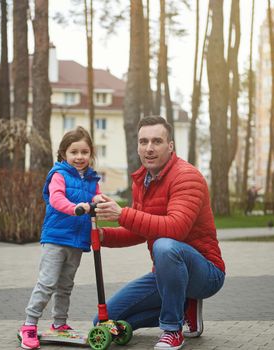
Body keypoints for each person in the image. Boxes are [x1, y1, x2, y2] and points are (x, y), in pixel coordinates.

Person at [94, 116, 225, 350]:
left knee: (164, 245)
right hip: (166, 273)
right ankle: (184, 308)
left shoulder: (187, 176)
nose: (149, 148)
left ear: (170, 146)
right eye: (143, 142)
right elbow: (139, 230)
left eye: (157, 141)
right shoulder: (142, 181)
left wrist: (121, 214)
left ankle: (173, 330)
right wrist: (103, 236)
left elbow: (176, 228)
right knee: (104, 321)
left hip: (206, 272)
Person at [19, 126, 102, 350]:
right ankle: (29, 325)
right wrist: (75, 208)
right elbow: (55, 199)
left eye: (84, 152)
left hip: (77, 240)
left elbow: (96, 199)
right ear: (64, 153)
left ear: (90, 153)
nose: (79, 157)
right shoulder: (59, 174)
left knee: (65, 285)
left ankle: (59, 324)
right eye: (74, 152)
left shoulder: (93, 179)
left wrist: (101, 201)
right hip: (56, 238)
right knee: (47, 283)